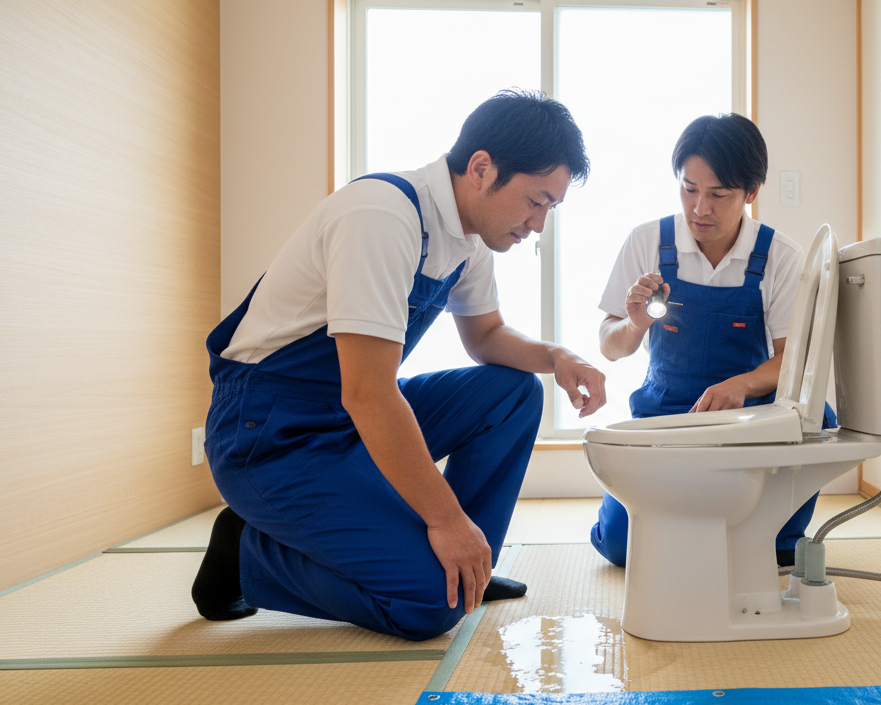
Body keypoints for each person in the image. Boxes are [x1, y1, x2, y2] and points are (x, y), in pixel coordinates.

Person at [193, 90, 606, 641]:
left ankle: (468, 566)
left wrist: (558, 356)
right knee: (429, 605)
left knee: (513, 393)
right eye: (536, 201)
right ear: (482, 168)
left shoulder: (470, 239)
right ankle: (246, 552)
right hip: (270, 435)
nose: (538, 224)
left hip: (346, 418)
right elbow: (368, 393)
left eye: (550, 208)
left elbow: (486, 337)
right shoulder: (381, 215)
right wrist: (445, 518)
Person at [589, 113, 834, 568]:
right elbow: (609, 346)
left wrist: (741, 385)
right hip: (667, 411)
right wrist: (636, 324)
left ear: (751, 192)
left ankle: (778, 534)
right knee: (622, 549)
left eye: (718, 194)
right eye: (689, 189)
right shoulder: (647, 241)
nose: (700, 208)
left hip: (748, 415)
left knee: (817, 416)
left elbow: (793, 360)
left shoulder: (780, 257)